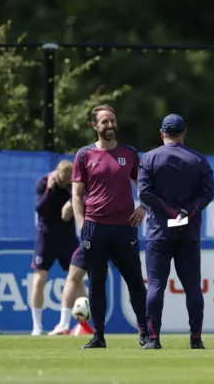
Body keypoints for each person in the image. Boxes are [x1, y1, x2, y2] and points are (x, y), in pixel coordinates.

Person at [71, 104, 149, 349]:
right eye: (104, 122)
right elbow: (76, 194)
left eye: (112, 121)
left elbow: (144, 185)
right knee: (96, 282)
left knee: (135, 281)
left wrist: (143, 207)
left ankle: (146, 334)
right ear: (95, 126)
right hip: (96, 228)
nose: (110, 126)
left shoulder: (130, 153)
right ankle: (99, 337)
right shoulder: (84, 155)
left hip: (124, 228)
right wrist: (82, 222)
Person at [138, 114, 214, 350]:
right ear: (184, 133)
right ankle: (196, 339)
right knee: (192, 286)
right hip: (188, 232)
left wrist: (169, 211)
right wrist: (187, 211)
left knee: (156, 285)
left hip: (159, 232)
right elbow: (208, 193)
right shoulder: (199, 160)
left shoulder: (149, 158)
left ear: (162, 134)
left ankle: (154, 339)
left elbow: (144, 193)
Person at [31, 160, 79, 335]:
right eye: (61, 181)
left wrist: (72, 203)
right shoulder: (43, 183)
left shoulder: (73, 185)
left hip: (67, 238)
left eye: (67, 182)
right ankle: (37, 327)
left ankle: (86, 325)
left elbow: (82, 201)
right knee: (39, 279)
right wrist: (50, 190)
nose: (63, 184)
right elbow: (40, 208)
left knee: (78, 278)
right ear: (56, 174)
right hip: (46, 237)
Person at [47, 245, 87, 336]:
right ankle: (84, 325)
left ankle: (64, 324)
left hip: (96, 238)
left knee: (73, 278)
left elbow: (83, 230)